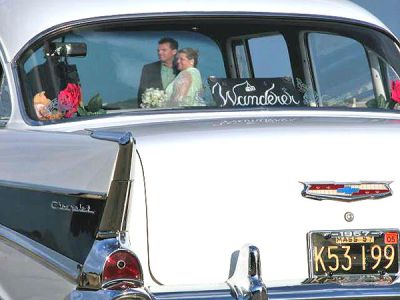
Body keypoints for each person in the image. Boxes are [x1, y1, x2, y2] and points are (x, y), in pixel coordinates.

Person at [137, 37, 178, 106]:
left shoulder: (183, 70)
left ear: (174, 51)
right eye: (158, 50)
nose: (160, 53)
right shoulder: (148, 69)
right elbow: (141, 95)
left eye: (164, 50)